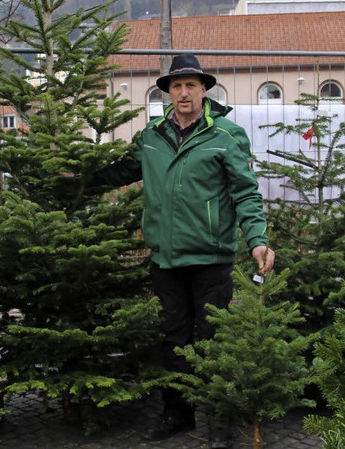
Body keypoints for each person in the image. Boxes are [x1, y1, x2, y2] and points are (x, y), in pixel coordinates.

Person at [92, 53, 275, 449]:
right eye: (176, 86)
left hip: (211, 258)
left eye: (191, 84)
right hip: (165, 259)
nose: (184, 92)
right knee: (172, 339)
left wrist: (257, 239)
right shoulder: (153, 135)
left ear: (204, 89)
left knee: (213, 340)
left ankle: (220, 419)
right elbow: (123, 171)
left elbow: (245, 192)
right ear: (168, 93)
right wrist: (79, 175)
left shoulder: (226, 135)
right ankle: (177, 413)